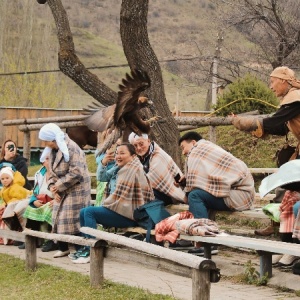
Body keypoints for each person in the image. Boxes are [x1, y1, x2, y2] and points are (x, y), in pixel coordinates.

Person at [232, 66, 300, 238]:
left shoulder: (295, 99)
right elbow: (279, 127)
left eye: (273, 81)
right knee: (289, 187)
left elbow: (273, 122)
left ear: (283, 81)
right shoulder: (292, 101)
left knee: (290, 186)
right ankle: (282, 232)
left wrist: (244, 123)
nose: (271, 87)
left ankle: (287, 237)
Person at [71, 143, 154, 264]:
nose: (118, 156)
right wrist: (103, 162)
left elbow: (122, 198)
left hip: (131, 215)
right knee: (84, 211)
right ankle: (86, 247)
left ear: (133, 155)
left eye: (122, 153)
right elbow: (102, 177)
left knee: (89, 212)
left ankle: (92, 250)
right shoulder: (121, 167)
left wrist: (105, 206)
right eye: (117, 153)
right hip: (120, 210)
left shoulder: (132, 169)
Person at [178, 131, 255, 254]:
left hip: (239, 194)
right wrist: (187, 180)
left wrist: (187, 186)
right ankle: (196, 237)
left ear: (193, 142)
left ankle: (206, 241)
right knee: (200, 196)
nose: (183, 152)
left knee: (194, 196)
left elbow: (193, 186)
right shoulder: (209, 149)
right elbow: (208, 180)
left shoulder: (197, 151)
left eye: (183, 147)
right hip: (242, 193)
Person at [38, 123, 91, 258]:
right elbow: (51, 173)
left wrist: (59, 186)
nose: (44, 143)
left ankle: (80, 248)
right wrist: (53, 188)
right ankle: (64, 247)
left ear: (52, 139)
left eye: (45, 140)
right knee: (57, 217)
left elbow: (76, 172)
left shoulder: (72, 148)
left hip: (76, 189)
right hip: (61, 189)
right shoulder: (52, 151)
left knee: (70, 219)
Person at [128, 132, 186, 205]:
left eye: (141, 144)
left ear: (148, 141)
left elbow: (151, 179)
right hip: (156, 194)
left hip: (170, 195)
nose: (139, 148)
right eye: (135, 146)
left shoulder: (158, 155)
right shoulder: (140, 158)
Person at [23, 152, 58, 252]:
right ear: (43, 162)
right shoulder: (39, 174)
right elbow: (35, 191)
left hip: (54, 201)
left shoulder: (58, 173)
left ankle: (52, 241)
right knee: (30, 208)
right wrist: (34, 201)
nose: (49, 161)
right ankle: (32, 240)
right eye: (46, 159)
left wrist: (56, 200)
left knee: (49, 209)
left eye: (51, 158)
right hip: (41, 200)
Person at [0, 167, 31, 239]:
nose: (5, 180)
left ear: (12, 178)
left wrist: (6, 205)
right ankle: (8, 235)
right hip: (12, 205)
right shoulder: (4, 189)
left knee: (12, 216)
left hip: (22, 202)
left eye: (7, 178)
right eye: (2, 179)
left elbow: (17, 198)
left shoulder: (15, 187)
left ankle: (14, 234)